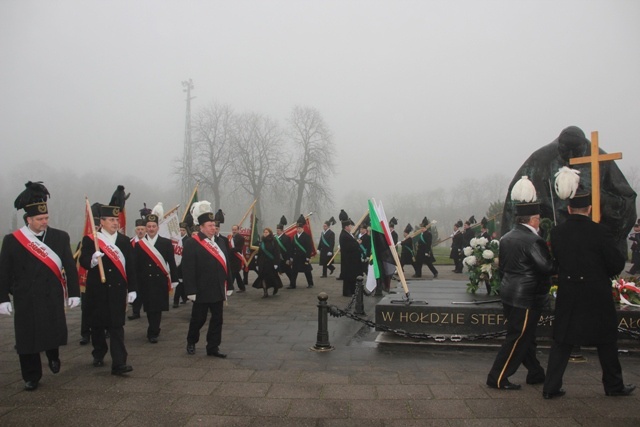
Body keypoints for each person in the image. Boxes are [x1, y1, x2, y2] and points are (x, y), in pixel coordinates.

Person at [543, 190, 635, 399]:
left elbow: (557, 260)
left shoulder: (557, 232)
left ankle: (551, 387)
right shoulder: (600, 232)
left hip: (568, 291)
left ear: (569, 209)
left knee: (562, 341)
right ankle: (613, 385)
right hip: (596, 293)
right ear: (589, 209)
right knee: (606, 340)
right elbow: (615, 263)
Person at [502, 126, 637, 255]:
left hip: (590, 238)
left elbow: (626, 201)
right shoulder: (541, 159)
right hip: (555, 237)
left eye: (576, 151)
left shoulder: (600, 159)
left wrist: (597, 196)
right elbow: (515, 202)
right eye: (565, 151)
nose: (571, 157)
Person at [0, 181, 80, 391]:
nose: (45, 222)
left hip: (51, 294)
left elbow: (70, 267)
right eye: (40, 219)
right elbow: (4, 272)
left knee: (51, 330)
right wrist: (2, 299)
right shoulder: (12, 240)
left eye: (46, 218)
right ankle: (31, 376)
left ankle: (53, 355)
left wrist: (74, 293)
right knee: (26, 337)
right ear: (28, 219)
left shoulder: (60, 237)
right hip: (25, 296)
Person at [487, 177, 554, 390]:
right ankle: (497, 377)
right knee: (518, 338)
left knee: (526, 338)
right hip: (526, 296)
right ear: (533, 219)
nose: (539, 220)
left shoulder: (507, 237)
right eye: (538, 218)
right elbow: (546, 268)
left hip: (509, 293)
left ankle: (535, 372)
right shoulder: (534, 240)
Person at [80, 204, 137, 375]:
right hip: (98, 290)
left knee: (116, 327)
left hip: (117, 291)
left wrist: (133, 289)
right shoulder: (92, 240)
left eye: (116, 219)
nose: (115, 223)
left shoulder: (124, 241)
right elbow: (82, 261)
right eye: (111, 220)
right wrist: (92, 260)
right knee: (97, 325)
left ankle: (119, 363)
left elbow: (131, 267)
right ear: (102, 221)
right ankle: (99, 353)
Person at [183, 202, 230, 357]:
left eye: (214, 225)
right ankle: (191, 341)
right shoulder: (192, 243)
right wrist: (190, 290)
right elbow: (188, 269)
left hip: (217, 288)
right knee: (198, 319)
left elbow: (226, 264)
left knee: (217, 320)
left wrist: (228, 285)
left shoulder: (221, 242)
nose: (213, 228)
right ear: (201, 227)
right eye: (209, 225)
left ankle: (213, 347)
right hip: (201, 290)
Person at [134, 212, 178, 343]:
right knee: (148, 307)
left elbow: (171, 262)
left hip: (160, 280)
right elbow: (136, 265)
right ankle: (153, 328)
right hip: (145, 280)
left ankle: (153, 331)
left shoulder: (165, 243)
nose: (151, 228)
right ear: (146, 228)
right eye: (149, 226)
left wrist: (175, 279)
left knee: (157, 307)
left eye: (154, 226)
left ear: (158, 228)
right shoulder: (139, 244)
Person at [252, 228, 283, 297]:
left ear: (270, 233)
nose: (265, 233)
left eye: (267, 232)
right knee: (262, 277)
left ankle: (276, 287)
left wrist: (276, 263)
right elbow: (259, 253)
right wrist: (257, 263)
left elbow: (276, 252)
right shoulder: (262, 241)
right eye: (264, 232)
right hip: (262, 262)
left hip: (271, 262)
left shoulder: (273, 241)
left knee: (272, 277)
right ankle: (265, 292)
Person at [287, 215, 315, 289]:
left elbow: (309, 248)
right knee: (294, 271)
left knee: (307, 271)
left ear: (303, 228)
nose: (298, 229)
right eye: (297, 228)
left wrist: (308, 257)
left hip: (304, 257)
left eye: (299, 228)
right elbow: (292, 247)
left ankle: (310, 283)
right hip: (296, 257)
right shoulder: (295, 237)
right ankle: (292, 284)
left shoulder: (306, 236)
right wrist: (291, 257)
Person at [128, 218, 147, 320]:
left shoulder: (149, 243)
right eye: (138, 229)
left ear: (145, 230)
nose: (140, 231)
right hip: (135, 273)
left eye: (142, 229)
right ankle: (136, 312)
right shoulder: (130, 242)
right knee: (136, 292)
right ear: (136, 230)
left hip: (147, 273)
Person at [339, 213, 360, 297]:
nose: (351, 227)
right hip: (348, 259)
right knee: (348, 277)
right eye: (349, 226)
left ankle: (352, 290)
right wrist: (357, 243)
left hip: (351, 259)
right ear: (346, 227)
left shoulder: (347, 234)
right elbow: (349, 247)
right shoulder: (344, 235)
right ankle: (347, 292)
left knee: (352, 276)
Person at [173, 222, 191, 308]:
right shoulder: (176, 239)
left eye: (183, 230)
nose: (181, 231)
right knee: (180, 283)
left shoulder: (188, 240)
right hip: (177, 264)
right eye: (180, 230)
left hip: (184, 264)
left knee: (181, 283)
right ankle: (181, 298)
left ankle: (179, 299)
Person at [227, 224, 247, 293]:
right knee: (236, 274)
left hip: (237, 258)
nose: (234, 231)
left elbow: (239, 248)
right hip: (231, 258)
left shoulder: (241, 238)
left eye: (235, 230)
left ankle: (229, 288)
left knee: (233, 273)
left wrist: (230, 250)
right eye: (233, 229)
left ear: (238, 230)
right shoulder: (230, 237)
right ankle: (242, 287)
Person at [275, 216, 293, 287]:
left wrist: (288, 259)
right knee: (275, 271)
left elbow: (289, 249)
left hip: (284, 258)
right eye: (277, 230)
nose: (277, 231)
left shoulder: (287, 238)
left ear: (282, 231)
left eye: (279, 230)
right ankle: (276, 284)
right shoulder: (274, 238)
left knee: (288, 271)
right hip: (277, 258)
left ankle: (292, 283)